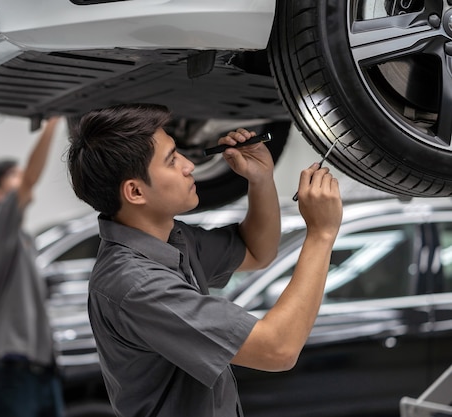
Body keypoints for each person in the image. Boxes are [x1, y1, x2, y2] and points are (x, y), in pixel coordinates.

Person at [66, 103, 343, 417]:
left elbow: (256, 252)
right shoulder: (137, 285)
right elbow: (278, 349)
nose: (189, 165)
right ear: (135, 191)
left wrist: (260, 180)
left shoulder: (171, 240)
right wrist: (321, 234)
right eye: (172, 160)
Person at [0, 116, 64, 417]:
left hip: (42, 369)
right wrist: (53, 123)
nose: (23, 179)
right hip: (14, 370)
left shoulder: (23, 238)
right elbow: (30, 181)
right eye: (14, 175)